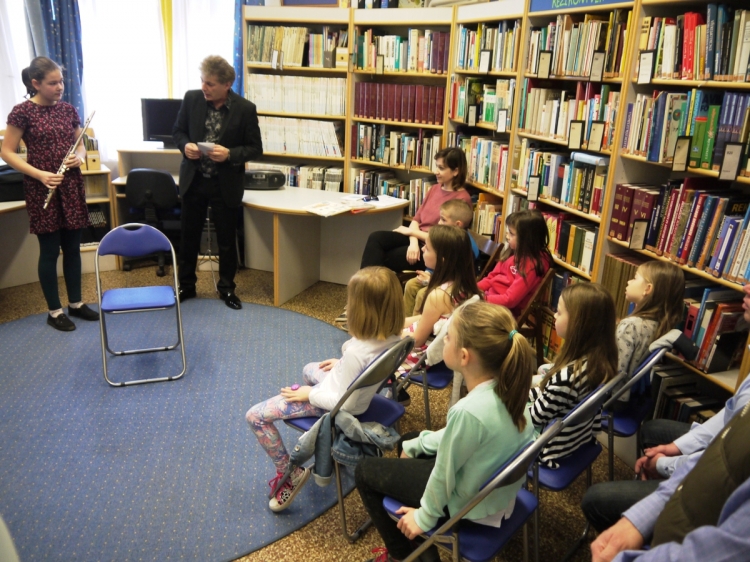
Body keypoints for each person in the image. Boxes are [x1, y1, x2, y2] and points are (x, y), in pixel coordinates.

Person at [356, 301, 536, 562]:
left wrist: (424, 516)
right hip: (496, 493)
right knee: (409, 441)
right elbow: (458, 437)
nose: (443, 340)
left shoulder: (468, 412)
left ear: (464, 356)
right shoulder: (514, 390)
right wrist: (417, 444)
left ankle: (402, 555)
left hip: (471, 504)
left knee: (364, 472)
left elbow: (444, 473)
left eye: (447, 336)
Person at [581, 283, 750, 536]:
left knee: (596, 500)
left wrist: (664, 464)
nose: (746, 287)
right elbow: (729, 417)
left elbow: (722, 461)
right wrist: (675, 448)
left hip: (717, 492)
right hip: (717, 453)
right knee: (654, 430)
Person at [245, 266, 404, 512]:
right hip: (355, 389)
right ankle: (322, 435)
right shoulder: (395, 338)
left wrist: (310, 394)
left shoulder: (356, 354)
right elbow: (365, 365)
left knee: (255, 416)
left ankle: (289, 472)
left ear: (364, 311)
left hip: (340, 405)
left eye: (351, 302)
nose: (347, 307)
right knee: (310, 369)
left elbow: (346, 404)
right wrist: (342, 364)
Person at [1, 57, 100, 331]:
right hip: (41, 186)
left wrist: (80, 157)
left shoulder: (68, 110)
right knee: (49, 251)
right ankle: (54, 311)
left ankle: (76, 304)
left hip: (70, 185)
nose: (60, 87)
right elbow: (7, 152)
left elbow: (80, 144)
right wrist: (39, 174)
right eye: (53, 83)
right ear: (36, 83)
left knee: (73, 248)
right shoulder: (22, 112)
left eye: (62, 81)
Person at [172, 55, 263, 310]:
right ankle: (186, 285)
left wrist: (230, 154)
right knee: (189, 237)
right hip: (194, 179)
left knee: (226, 240)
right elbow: (178, 131)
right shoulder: (191, 99)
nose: (204, 87)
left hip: (225, 183)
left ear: (227, 84)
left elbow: (255, 148)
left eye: (210, 84)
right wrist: (185, 146)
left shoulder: (245, 109)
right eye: (202, 81)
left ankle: (227, 288)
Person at [529, 283, 617, 468]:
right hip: (578, 438)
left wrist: (514, 397)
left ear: (579, 324)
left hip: (548, 448)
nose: (554, 315)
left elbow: (534, 418)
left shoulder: (565, 379)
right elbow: (550, 397)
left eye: (559, 312)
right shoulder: (599, 361)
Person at [359, 147, 473, 274]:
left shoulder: (462, 200)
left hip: (432, 248)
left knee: (384, 257)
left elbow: (448, 239)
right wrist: (413, 242)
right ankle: (366, 283)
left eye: (441, 168)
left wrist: (411, 233)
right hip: (416, 238)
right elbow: (416, 219)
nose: (436, 172)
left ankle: (369, 284)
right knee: (376, 238)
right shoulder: (434, 189)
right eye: (436, 166)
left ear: (456, 171)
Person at [398, 225, 481, 378]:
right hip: (441, 347)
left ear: (442, 260)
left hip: (419, 356)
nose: (422, 249)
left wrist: (391, 333)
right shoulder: (464, 287)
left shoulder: (438, 296)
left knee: (367, 347)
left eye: (427, 248)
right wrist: (395, 324)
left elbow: (417, 341)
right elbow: (426, 319)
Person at [614, 261, 684, 404]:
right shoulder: (660, 324)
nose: (628, 281)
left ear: (647, 289)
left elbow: (616, 370)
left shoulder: (630, 326)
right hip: (635, 398)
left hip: (614, 398)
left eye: (635, 278)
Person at [403, 199, 478, 316]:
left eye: (443, 219)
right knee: (411, 285)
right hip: (438, 277)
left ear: (458, 224)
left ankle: (418, 324)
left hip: (454, 285)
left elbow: (459, 278)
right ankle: (406, 320)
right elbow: (437, 264)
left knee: (422, 294)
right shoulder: (446, 237)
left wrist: (431, 280)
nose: (438, 222)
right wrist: (428, 274)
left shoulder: (464, 247)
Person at [477, 209, 553, 318]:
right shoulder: (513, 252)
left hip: (503, 311)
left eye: (512, 234)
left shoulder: (532, 266)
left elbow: (510, 300)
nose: (507, 236)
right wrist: (473, 289)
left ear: (527, 239)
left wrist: (482, 299)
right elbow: (491, 278)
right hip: (489, 301)